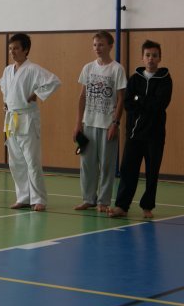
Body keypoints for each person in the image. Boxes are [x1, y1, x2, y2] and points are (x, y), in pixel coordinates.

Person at [109, 40, 172, 219]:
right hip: (134, 134)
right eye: (148, 55)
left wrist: (140, 99)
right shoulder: (134, 79)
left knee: (152, 173)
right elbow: (128, 103)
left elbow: (160, 104)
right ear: (142, 57)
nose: (151, 59)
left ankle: (147, 207)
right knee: (128, 171)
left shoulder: (165, 79)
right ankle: (122, 206)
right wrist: (144, 100)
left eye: (154, 55)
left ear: (159, 58)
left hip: (155, 135)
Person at [0, 33, 61, 212]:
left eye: (16, 48)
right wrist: (6, 101)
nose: (13, 52)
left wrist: (36, 94)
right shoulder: (8, 70)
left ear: (26, 50)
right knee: (16, 161)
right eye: (11, 49)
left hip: (27, 118)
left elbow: (54, 82)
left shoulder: (33, 69)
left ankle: (39, 198)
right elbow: (4, 88)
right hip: (12, 118)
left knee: (32, 161)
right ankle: (23, 197)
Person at [73, 31, 127, 213]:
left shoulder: (117, 69)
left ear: (110, 46)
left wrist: (115, 123)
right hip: (88, 123)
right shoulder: (88, 68)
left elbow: (121, 99)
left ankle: (103, 200)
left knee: (106, 165)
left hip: (107, 125)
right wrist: (78, 123)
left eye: (101, 44)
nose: (98, 48)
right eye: (95, 45)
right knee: (87, 164)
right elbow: (82, 97)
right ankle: (88, 198)